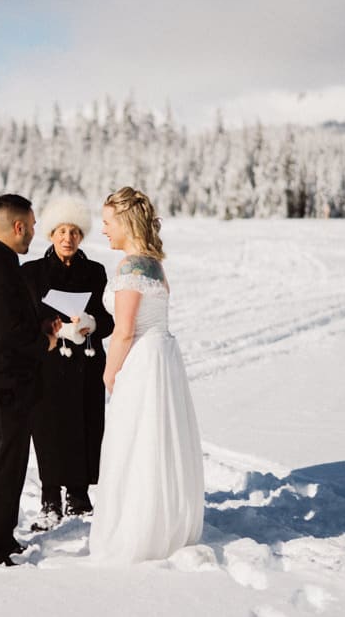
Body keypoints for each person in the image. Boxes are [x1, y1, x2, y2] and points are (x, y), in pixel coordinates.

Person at [88, 187, 204, 563]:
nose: (103, 230)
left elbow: (123, 331)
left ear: (124, 221)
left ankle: (138, 530)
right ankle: (165, 522)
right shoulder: (155, 263)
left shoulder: (130, 267)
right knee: (160, 441)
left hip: (142, 359)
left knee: (134, 441)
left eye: (107, 222)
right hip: (164, 357)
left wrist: (107, 375)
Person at [0, 194, 60, 566]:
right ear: (18, 226)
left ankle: (1, 536)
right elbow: (10, 333)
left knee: (11, 464)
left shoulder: (4, 263)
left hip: (12, 382)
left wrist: (41, 325)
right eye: (33, 226)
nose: (35, 233)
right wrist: (46, 340)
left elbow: (15, 321)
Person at [20, 196, 115, 531]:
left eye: (74, 231)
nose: (68, 238)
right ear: (50, 234)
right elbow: (23, 320)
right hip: (49, 363)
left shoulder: (95, 272)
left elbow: (108, 320)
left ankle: (79, 495)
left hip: (86, 364)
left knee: (86, 425)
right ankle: (49, 500)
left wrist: (91, 323)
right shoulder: (31, 273)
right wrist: (48, 328)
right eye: (61, 231)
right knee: (48, 428)